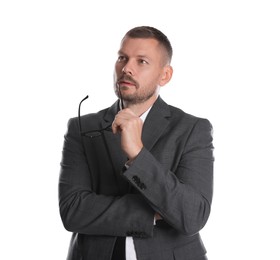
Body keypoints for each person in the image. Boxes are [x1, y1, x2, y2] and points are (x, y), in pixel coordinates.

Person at [59, 26, 214, 260]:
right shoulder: (81, 127)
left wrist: (138, 155)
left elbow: (192, 216)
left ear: (165, 75)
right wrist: (154, 213)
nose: (127, 68)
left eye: (141, 61)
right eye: (122, 58)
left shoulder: (192, 129)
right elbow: (73, 211)